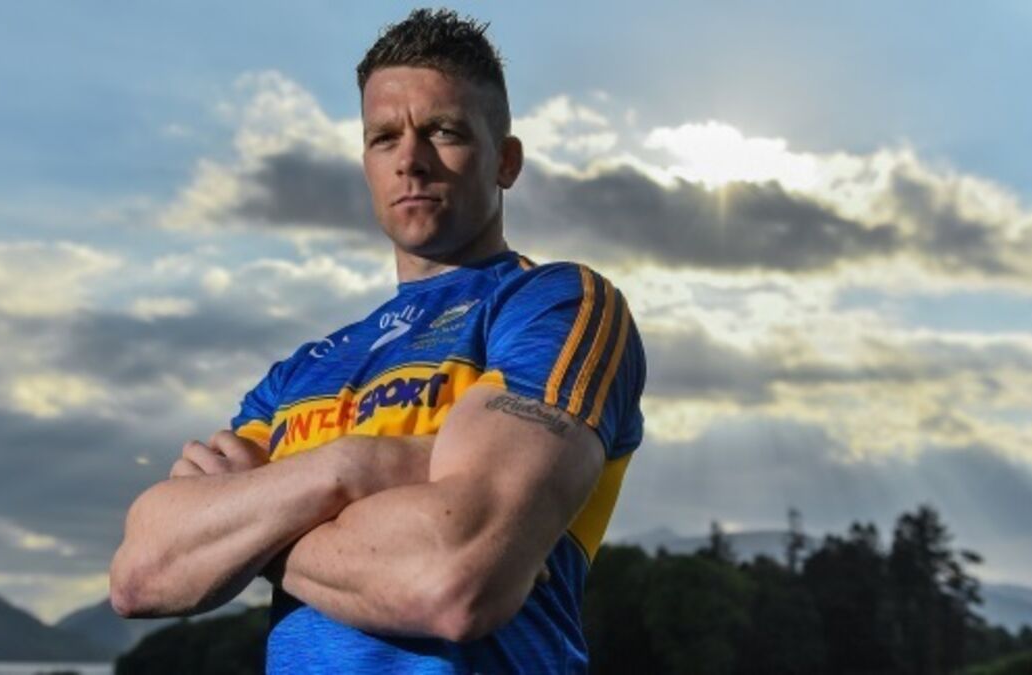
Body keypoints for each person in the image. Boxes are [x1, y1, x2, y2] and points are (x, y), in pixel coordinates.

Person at [110, 8, 646, 673]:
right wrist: (355, 467)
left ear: (505, 161)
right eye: (384, 137)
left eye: (444, 131)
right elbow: (143, 571)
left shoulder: (554, 307)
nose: (410, 161)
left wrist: (253, 529)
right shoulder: (301, 372)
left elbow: (455, 578)